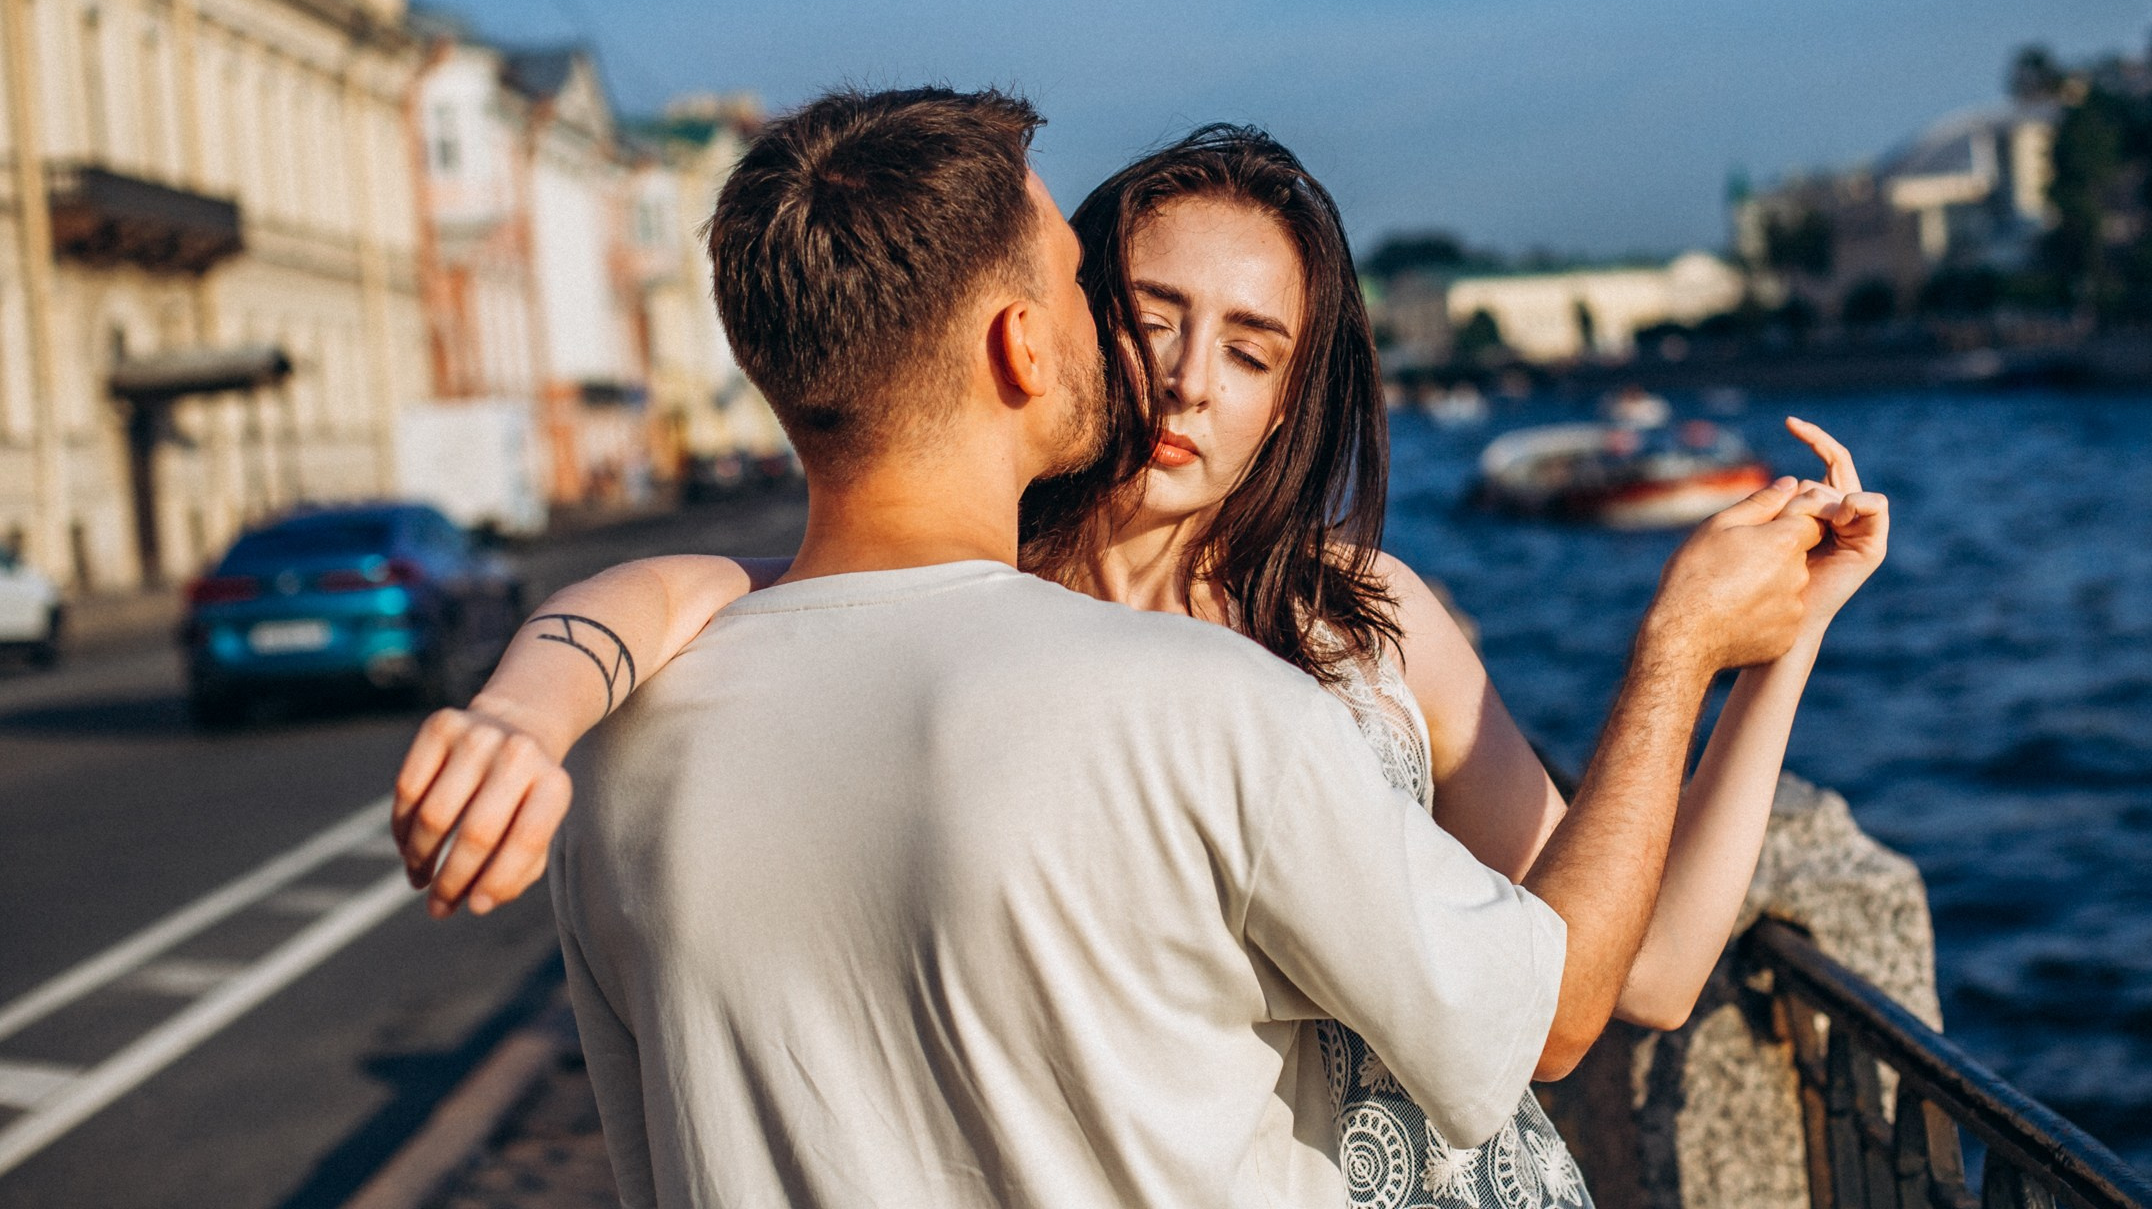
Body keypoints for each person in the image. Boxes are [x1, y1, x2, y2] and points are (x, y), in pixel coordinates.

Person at [394, 91, 1874, 1209]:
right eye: (1150, 316)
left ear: (1296, 400)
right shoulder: (958, 614)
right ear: (1056, 332)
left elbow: (1642, 972)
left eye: (1250, 350)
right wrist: (527, 707)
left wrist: (1774, 652)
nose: (1184, 379)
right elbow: (677, 594)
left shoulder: (1363, 621)